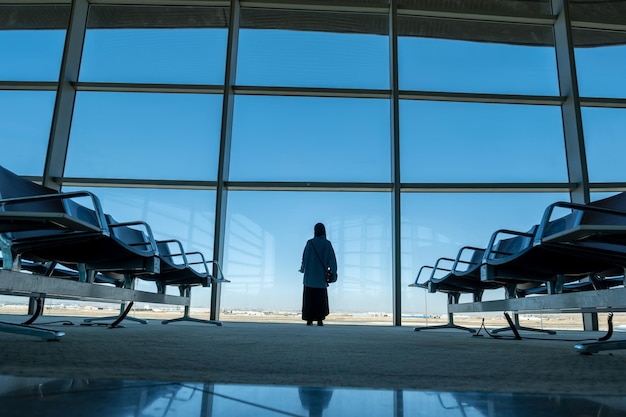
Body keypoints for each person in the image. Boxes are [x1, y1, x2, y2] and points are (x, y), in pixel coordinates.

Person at [299, 222, 338, 326]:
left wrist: (302, 269)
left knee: (309, 299)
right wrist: (333, 274)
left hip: (309, 277)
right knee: (320, 300)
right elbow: (332, 260)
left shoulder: (310, 243)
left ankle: (309, 319)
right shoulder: (327, 244)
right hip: (321, 278)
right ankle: (320, 320)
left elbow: (305, 258)